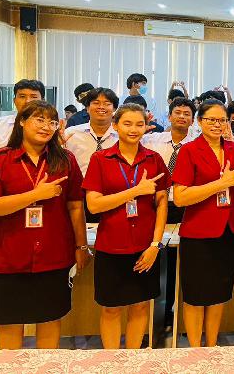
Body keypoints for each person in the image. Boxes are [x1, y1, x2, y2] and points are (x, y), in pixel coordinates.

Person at [0, 100, 89, 349]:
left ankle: (45, 366)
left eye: (52, 122)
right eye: (39, 119)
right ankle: (11, 366)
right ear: (22, 121)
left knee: (50, 319)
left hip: (53, 253)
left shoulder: (65, 160)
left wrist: (81, 246)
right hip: (9, 254)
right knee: (10, 321)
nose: (46, 126)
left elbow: (75, 206)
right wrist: (35, 195)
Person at [83, 103, 170, 349]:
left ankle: (133, 359)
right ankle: (113, 361)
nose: (134, 129)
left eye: (139, 124)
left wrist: (155, 245)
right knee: (111, 308)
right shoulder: (101, 159)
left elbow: (161, 204)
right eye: (127, 123)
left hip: (145, 247)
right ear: (115, 125)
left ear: (147, 127)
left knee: (140, 305)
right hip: (111, 245)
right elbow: (94, 205)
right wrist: (135, 191)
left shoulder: (154, 159)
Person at [171, 99, 234, 347]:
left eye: (222, 120)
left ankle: (212, 346)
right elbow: (181, 197)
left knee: (219, 294)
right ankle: (195, 350)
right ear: (199, 121)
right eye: (211, 120)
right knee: (195, 296)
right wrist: (220, 184)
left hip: (229, 231)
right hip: (198, 233)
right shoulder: (189, 150)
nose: (217, 125)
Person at [141, 97, 197, 328]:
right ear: (169, 115)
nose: (182, 116)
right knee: (155, 257)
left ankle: (172, 313)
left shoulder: (198, 144)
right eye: (178, 112)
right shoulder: (151, 140)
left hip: (185, 206)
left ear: (193, 120)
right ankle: (156, 314)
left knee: (178, 262)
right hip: (155, 205)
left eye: (187, 113)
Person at [64, 88, 119, 175]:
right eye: (96, 103)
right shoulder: (71, 133)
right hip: (79, 183)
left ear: (114, 109)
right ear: (87, 108)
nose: (101, 107)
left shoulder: (121, 136)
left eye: (107, 104)